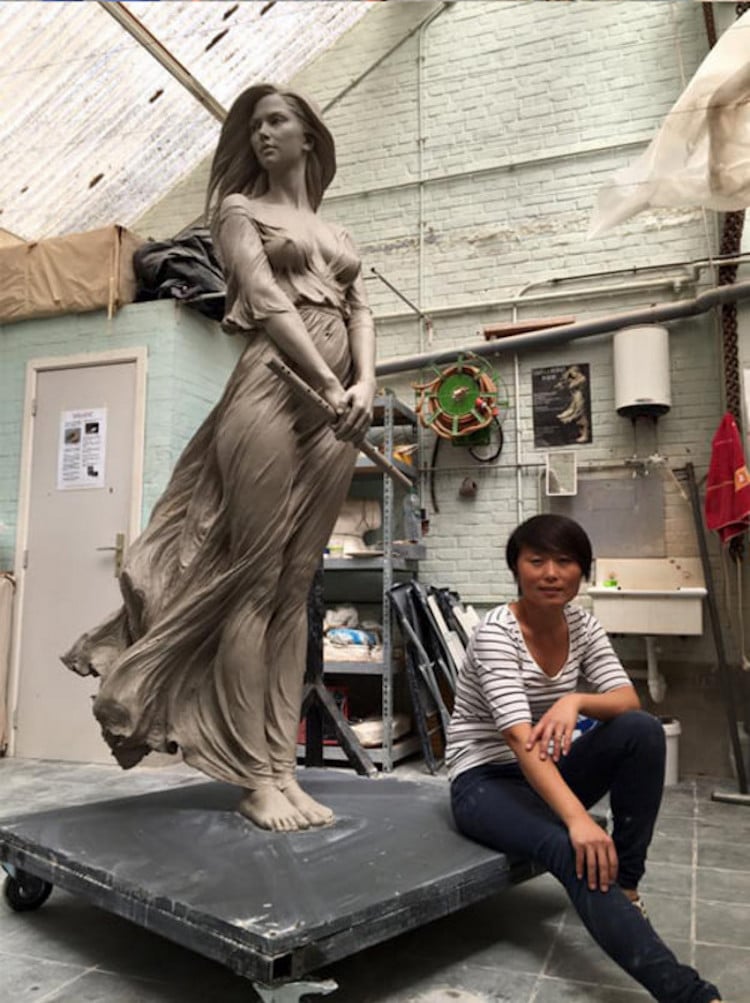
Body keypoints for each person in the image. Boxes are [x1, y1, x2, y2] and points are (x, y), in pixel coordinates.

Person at [62, 83, 376, 833]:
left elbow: (360, 307)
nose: (263, 134)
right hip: (273, 390)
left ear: (308, 134)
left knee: (295, 587)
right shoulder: (239, 211)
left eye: (277, 121)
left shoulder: (334, 230)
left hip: (337, 407)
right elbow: (267, 302)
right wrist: (329, 380)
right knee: (254, 582)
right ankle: (252, 774)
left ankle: (281, 765)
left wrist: (366, 382)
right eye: (255, 125)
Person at [446, 514, 722, 1003]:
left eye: (565, 561)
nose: (551, 573)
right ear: (516, 569)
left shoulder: (582, 623)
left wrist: (574, 700)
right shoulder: (495, 634)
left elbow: (627, 700)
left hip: (543, 768)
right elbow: (520, 741)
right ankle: (690, 996)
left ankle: (627, 887)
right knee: (572, 849)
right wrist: (578, 820)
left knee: (642, 731)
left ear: (582, 570)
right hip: (484, 780)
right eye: (537, 561)